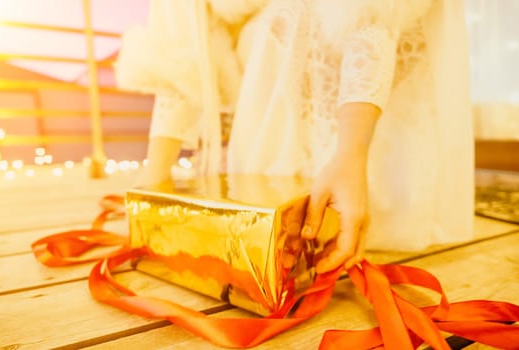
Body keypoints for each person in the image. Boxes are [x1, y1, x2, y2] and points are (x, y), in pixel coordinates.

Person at [115, 0, 474, 274]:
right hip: (272, 103)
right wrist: (156, 174)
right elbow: (179, 35)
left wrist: (352, 149)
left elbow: (373, 12)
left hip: (368, 97)